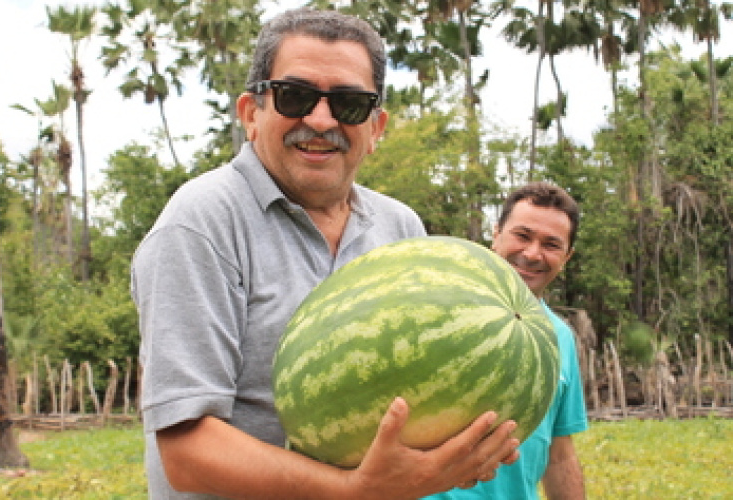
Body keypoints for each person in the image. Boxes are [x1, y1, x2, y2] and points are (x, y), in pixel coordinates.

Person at [131, 8, 520, 499]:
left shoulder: (401, 228)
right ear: (252, 113)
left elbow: (423, 399)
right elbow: (186, 452)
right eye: (296, 96)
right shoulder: (202, 221)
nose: (320, 120)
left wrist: (454, 448)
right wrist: (355, 490)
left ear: (376, 128)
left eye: (348, 104)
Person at [425, 181, 589, 500]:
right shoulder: (437, 308)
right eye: (522, 235)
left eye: (551, 244)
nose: (531, 253)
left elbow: (559, 454)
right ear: (496, 233)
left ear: (567, 256)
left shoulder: (560, 338)